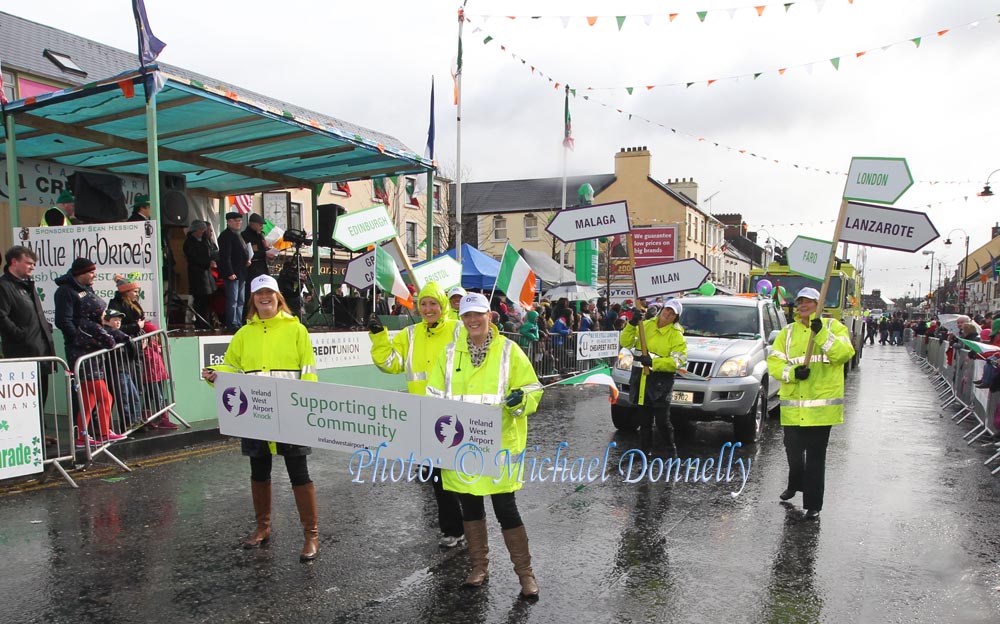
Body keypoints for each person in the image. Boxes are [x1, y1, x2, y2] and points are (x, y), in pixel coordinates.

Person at [426, 292, 544, 599]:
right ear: (462, 319)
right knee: (470, 508)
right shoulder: (450, 354)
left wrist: (521, 401)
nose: (473, 320)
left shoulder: (509, 351)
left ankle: (525, 574)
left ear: (489, 316)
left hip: (501, 446)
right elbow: (434, 397)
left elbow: (532, 389)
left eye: (478, 314)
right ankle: (479, 567)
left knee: (506, 509)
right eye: (467, 316)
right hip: (461, 447)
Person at [201, 275, 321, 562]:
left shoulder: (297, 330)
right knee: (259, 471)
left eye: (269, 293)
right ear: (252, 300)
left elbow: (309, 370)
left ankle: (311, 535)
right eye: (258, 294)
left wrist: (303, 408)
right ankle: (262, 527)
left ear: (278, 297)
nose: (264, 297)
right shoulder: (244, 334)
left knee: (299, 473)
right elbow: (231, 366)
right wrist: (214, 374)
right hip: (255, 414)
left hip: (289, 414)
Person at [368, 281, 466, 548]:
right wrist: (379, 338)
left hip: (455, 415)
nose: (427, 308)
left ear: (443, 305)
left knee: (460, 475)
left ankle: (471, 525)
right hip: (424, 418)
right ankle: (452, 529)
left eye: (433, 303)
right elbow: (392, 364)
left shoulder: (459, 330)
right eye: (423, 303)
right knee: (436, 477)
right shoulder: (410, 335)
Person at [766, 287, 855, 521]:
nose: (803, 305)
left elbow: (844, 354)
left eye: (808, 301)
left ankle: (813, 505)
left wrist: (822, 335)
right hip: (794, 408)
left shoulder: (834, 328)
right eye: (800, 302)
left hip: (821, 412)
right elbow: (774, 364)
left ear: (819, 304)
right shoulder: (787, 332)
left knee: (815, 459)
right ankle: (795, 483)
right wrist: (794, 372)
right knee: (793, 453)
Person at [0, 246, 57, 445]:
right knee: (27, 400)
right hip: (23, 351)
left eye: (34, 263)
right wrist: (19, 334)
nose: (32, 267)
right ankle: (26, 438)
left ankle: (39, 435)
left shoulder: (27, 284)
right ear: (14, 262)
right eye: (29, 263)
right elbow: (2, 316)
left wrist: (46, 328)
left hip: (40, 349)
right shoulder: (4, 286)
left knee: (41, 397)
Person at [108, 274, 179, 429]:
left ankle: (142, 419)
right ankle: (132, 422)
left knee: (139, 388)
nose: (136, 294)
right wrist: (137, 328)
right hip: (126, 350)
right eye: (134, 291)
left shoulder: (134, 304)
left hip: (138, 348)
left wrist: (147, 331)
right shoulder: (116, 306)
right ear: (126, 292)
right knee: (130, 389)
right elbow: (116, 328)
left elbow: (142, 323)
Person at [619, 300, 687, 455]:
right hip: (641, 380)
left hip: (661, 383)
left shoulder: (676, 336)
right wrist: (632, 324)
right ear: (662, 309)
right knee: (644, 422)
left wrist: (654, 362)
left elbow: (678, 360)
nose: (667, 314)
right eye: (667, 310)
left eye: (672, 313)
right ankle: (645, 453)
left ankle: (671, 453)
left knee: (663, 422)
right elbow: (625, 342)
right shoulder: (646, 325)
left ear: (675, 318)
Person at [66, 283, 129, 446]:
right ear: (94, 312)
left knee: (88, 403)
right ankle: (104, 432)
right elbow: (109, 342)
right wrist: (111, 336)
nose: (104, 314)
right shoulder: (93, 325)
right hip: (91, 370)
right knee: (107, 398)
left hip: (87, 368)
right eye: (102, 311)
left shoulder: (83, 324)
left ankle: (82, 437)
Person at [217, 212, 250, 330]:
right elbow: (225, 256)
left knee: (241, 299)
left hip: (241, 272)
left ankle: (239, 321)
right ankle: (232, 322)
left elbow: (242, 251)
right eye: (236, 221)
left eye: (240, 221)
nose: (238, 223)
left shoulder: (238, 235)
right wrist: (229, 272)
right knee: (233, 299)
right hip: (233, 273)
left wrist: (247, 259)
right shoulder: (226, 236)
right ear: (229, 221)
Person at [183, 220, 216, 329]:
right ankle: (201, 322)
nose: (202, 232)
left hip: (207, 276)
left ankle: (207, 321)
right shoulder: (189, 242)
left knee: (207, 300)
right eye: (200, 230)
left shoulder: (205, 241)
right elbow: (193, 258)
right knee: (199, 301)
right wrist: (207, 262)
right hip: (197, 275)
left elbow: (211, 252)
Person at [242, 213, 271, 317]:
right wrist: (264, 253)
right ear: (252, 224)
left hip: (262, 267)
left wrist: (266, 247)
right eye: (260, 224)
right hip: (253, 269)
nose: (262, 227)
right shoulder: (246, 236)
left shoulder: (259, 235)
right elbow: (251, 254)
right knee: (251, 294)